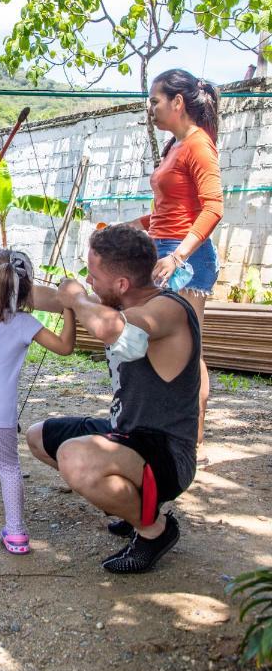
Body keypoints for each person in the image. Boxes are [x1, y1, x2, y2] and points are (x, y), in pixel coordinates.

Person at [26, 225, 201, 574]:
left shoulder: (167, 309)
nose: (89, 283)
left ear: (122, 284)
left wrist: (77, 299)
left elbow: (114, 329)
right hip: (127, 435)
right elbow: (51, 299)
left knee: (75, 458)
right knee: (38, 436)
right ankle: (132, 506)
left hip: (166, 453)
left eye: (93, 276)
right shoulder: (117, 302)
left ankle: (154, 530)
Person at [0, 249, 76, 563]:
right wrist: (70, 307)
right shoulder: (26, 324)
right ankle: (17, 533)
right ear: (26, 287)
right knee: (8, 469)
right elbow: (65, 347)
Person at [132, 68, 223, 445]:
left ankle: (192, 439)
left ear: (177, 102)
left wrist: (178, 258)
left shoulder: (199, 144)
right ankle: (170, 429)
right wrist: (130, 226)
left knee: (186, 349)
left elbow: (213, 207)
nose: (150, 108)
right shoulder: (175, 146)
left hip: (186, 260)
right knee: (162, 344)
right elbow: (169, 209)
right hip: (163, 250)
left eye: (155, 101)